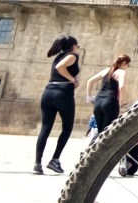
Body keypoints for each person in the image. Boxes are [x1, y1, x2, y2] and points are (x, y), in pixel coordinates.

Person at [34, 35, 81, 175]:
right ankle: (55, 160)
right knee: (67, 128)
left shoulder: (58, 56)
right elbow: (60, 67)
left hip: (48, 92)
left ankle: (37, 163)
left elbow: (59, 67)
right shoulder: (72, 55)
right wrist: (72, 79)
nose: (78, 48)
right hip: (63, 94)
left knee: (45, 128)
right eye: (78, 46)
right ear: (73, 46)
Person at [85, 54, 130, 136]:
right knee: (107, 134)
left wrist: (89, 98)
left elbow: (90, 81)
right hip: (110, 102)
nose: (128, 67)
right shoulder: (121, 72)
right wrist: (123, 101)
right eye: (128, 65)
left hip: (98, 102)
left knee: (100, 133)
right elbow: (122, 86)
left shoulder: (106, 70)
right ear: (124, 63)